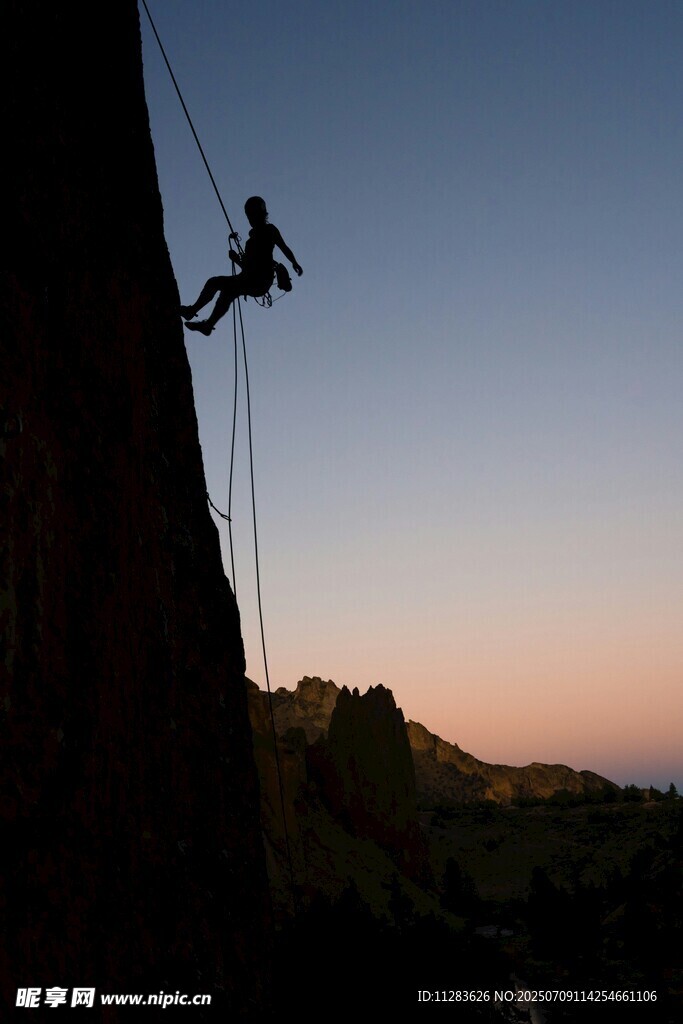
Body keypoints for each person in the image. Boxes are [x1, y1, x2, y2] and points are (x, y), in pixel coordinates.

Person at [180, 196, 303, 335]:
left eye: (252, 215)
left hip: (259, 281)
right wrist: (236, 259)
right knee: (225, 290)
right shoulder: (251, 240)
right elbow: (249, 267)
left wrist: (294, 263)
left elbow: (283, 247)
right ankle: (205, 322)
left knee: (218, 284)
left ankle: (195, 314)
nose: (250, 219)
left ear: (260, 214)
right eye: (249, 216)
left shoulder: (269, 230)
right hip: (253, 280)